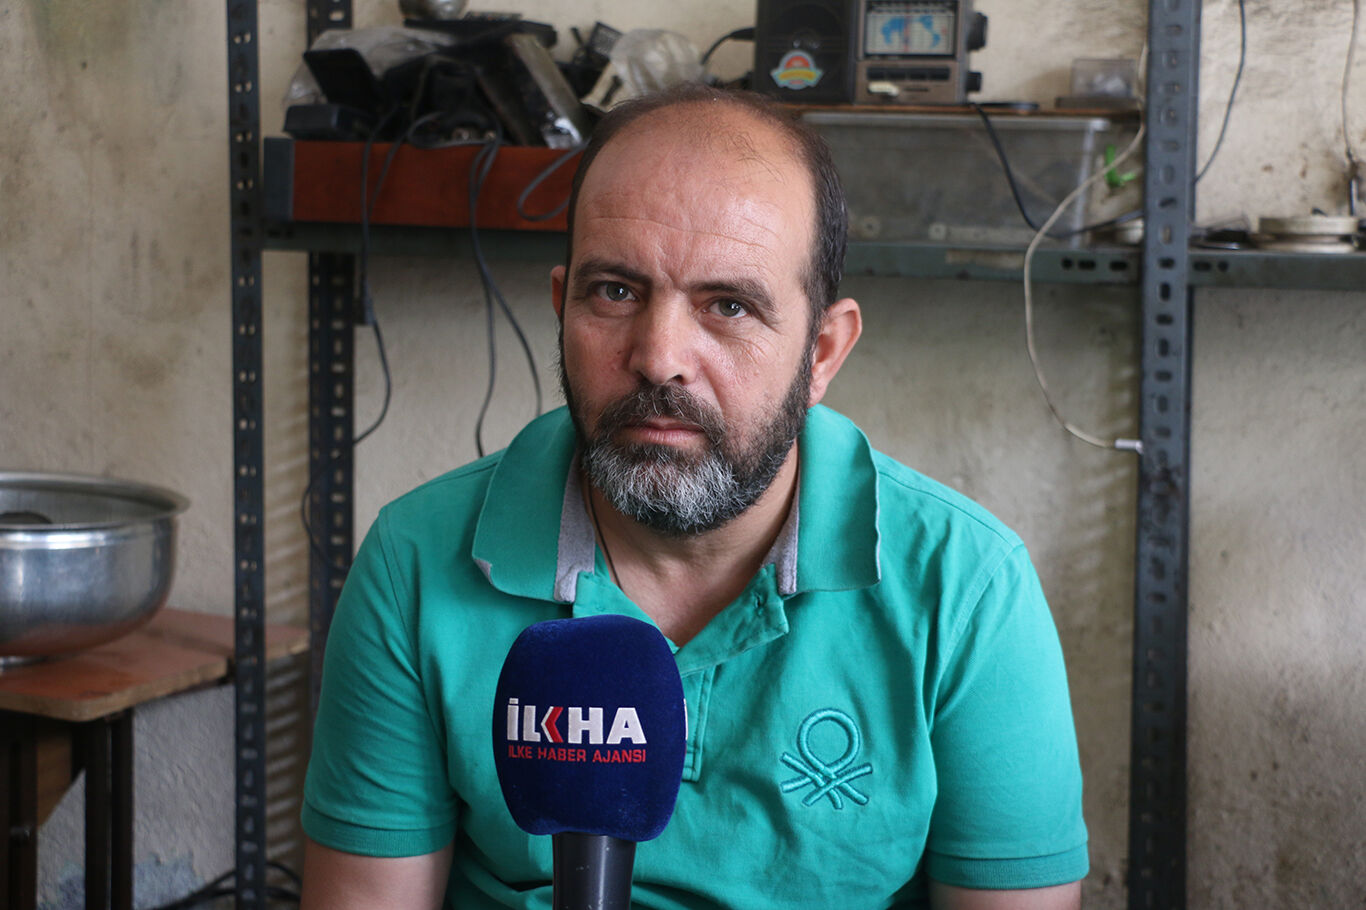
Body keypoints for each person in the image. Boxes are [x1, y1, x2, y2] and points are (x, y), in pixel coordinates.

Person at [299, 83, 1088, 910]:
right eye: (615, 291)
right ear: (561, 308)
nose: (659, 356)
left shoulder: (967, 588)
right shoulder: (416, 561)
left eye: (728, 306)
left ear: (822, 352)